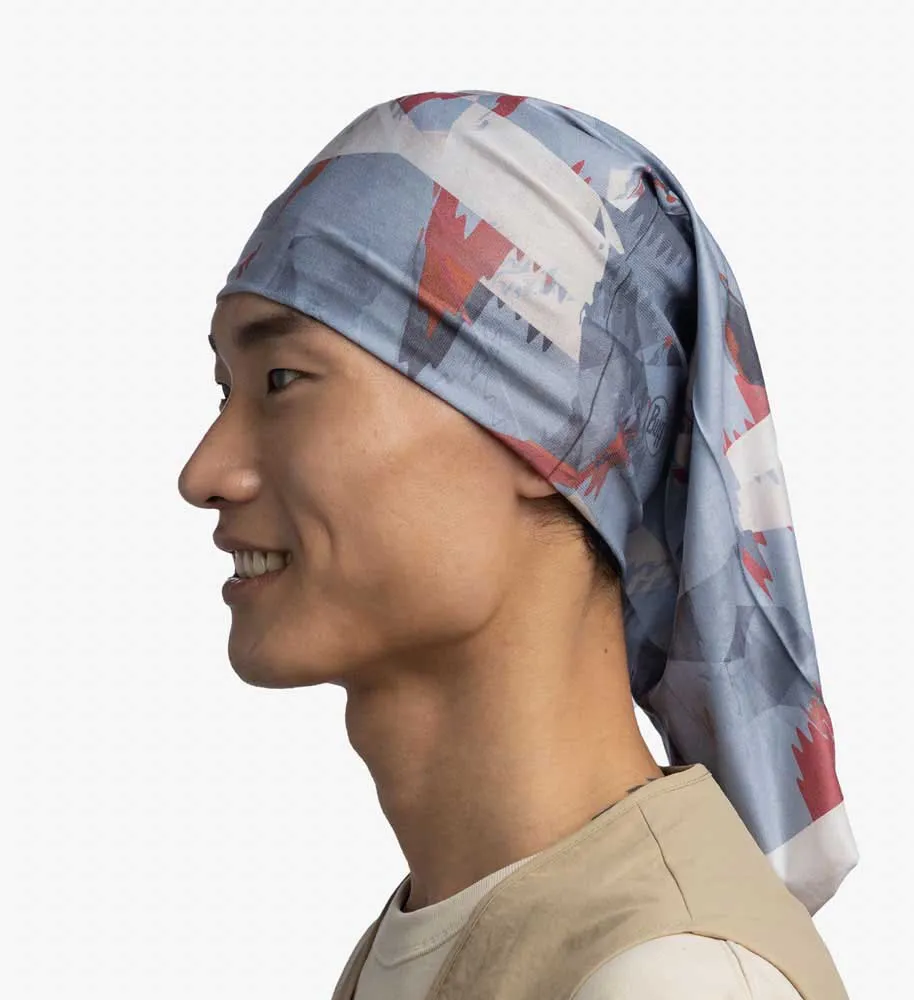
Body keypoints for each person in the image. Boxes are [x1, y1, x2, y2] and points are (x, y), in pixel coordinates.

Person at [178, 91, 858, 999]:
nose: (204, 472)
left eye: (282, 379)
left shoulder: (669, 978)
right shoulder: (437, 938)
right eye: (224, 390)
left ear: (561, 430)